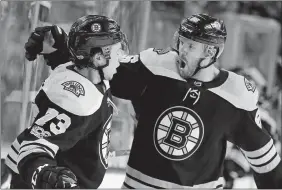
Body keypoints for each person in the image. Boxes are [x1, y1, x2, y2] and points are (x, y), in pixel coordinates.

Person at [22, 13, 282, 189]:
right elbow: (104, 66)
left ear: (211, 52)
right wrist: (66, 48)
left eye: (191, 46)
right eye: (181, 41)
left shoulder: (236, 94)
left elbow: (267, 165)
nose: (182, 50)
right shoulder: (156, 68)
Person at [4, 15, 129, 189]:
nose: (122, 57)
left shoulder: (90, 74)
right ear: (99, 58)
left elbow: (71, 63)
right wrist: (47, 175)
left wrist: (61, 47)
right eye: (118, 52)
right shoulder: (74, 101)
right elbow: (34, 147)